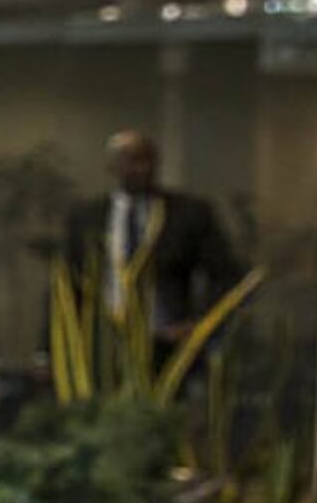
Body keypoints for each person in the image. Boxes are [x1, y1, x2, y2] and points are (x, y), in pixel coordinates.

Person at [63, 130, 247, 345]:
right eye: (132, 160)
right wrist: (47, 350)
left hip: (169, 342)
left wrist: (199, 322)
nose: (143, 169)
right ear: (111, 166)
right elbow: (66, 284)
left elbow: (226, 275)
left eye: (149, 159)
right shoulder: (88, 218)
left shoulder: (188, 212)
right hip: (103, 343)